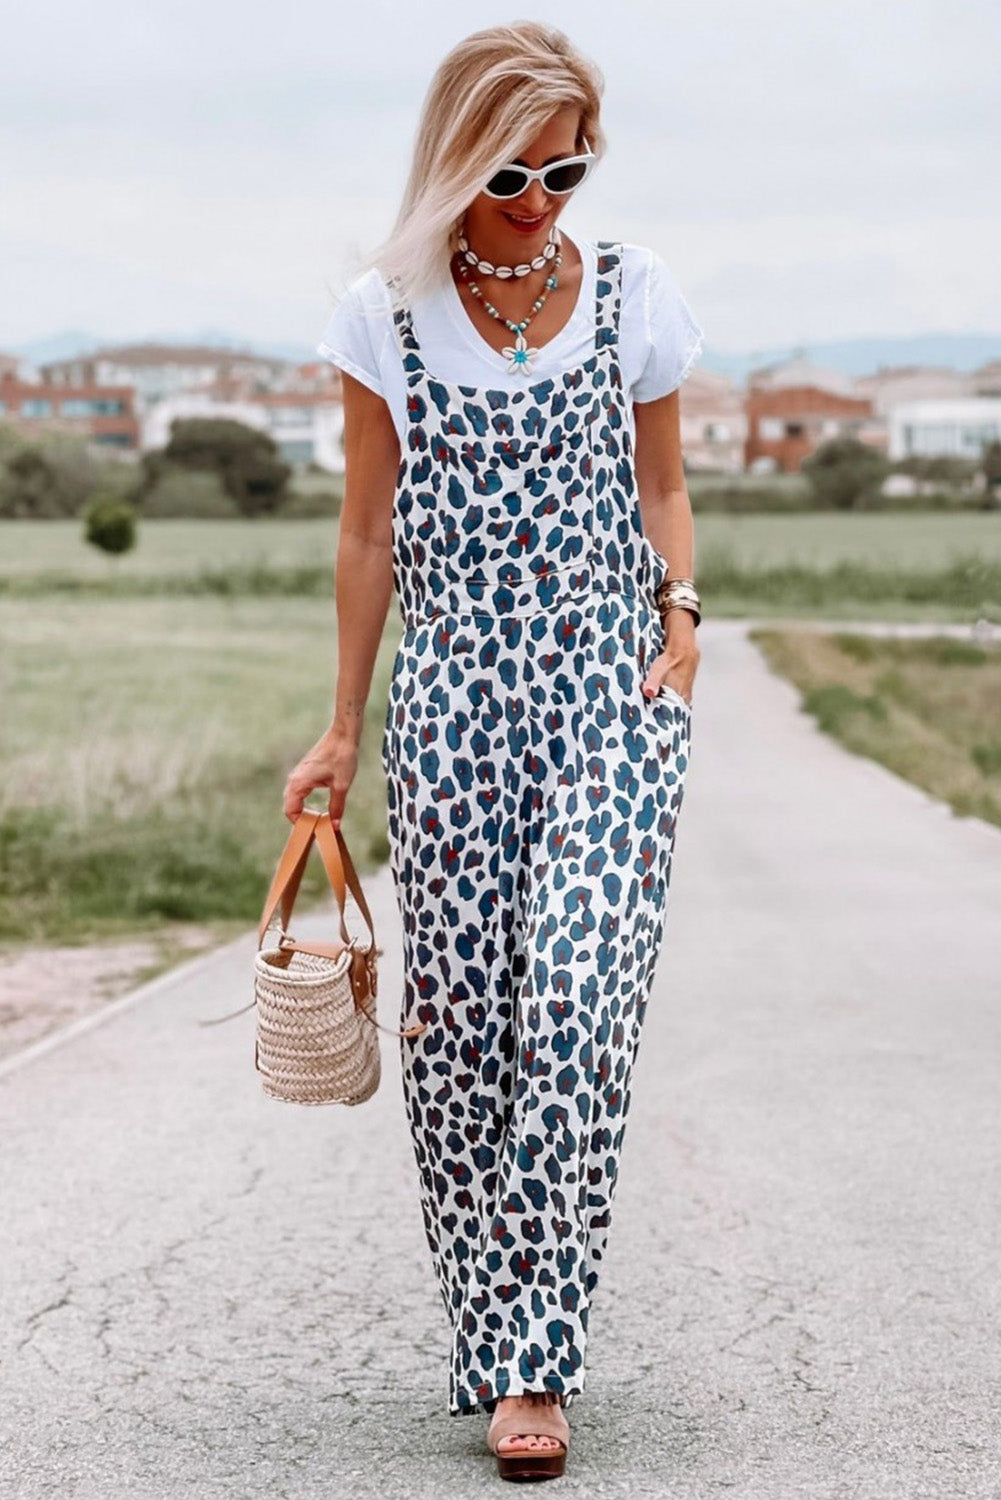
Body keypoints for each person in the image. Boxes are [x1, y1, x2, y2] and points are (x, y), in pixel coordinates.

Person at [285, 20, 704, 1483]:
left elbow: (662, 484)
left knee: (579, 1009)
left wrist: (683, 612)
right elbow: (362, 532)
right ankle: (491, 1331)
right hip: (451, 700)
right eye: (515, 173)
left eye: (569, 170)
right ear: (460, 156)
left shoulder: (634, 293)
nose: (543, 202)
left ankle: (535, 1360)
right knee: (459, 1038)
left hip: (609, 690)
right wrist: (341, 725)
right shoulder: (379, 315)